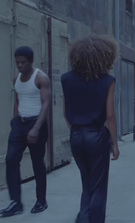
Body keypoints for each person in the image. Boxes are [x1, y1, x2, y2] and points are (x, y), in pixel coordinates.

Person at [61, 35, 120, 223]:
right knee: (99, 185)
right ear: (105, 57)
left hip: (76, 134)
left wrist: (77, 128)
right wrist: (115, 144)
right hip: (96, 136)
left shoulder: (66, 79)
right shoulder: (107, 81)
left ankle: (83, 217)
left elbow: (65, 111)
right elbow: (110, 115)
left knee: (86, 182)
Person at [0, 46, 51, 218]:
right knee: (11, 160)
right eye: (17, 62)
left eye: (23, 62)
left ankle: (41, 201)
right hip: (20, 124)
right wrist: (16, 122)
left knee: (38, 163)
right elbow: (18, 101)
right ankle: (16, 202)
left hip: (36, 123)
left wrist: (36, 128)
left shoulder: (41, 78)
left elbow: (45, 104)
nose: (20, 65)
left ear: (31, 61)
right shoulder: (16, 78)